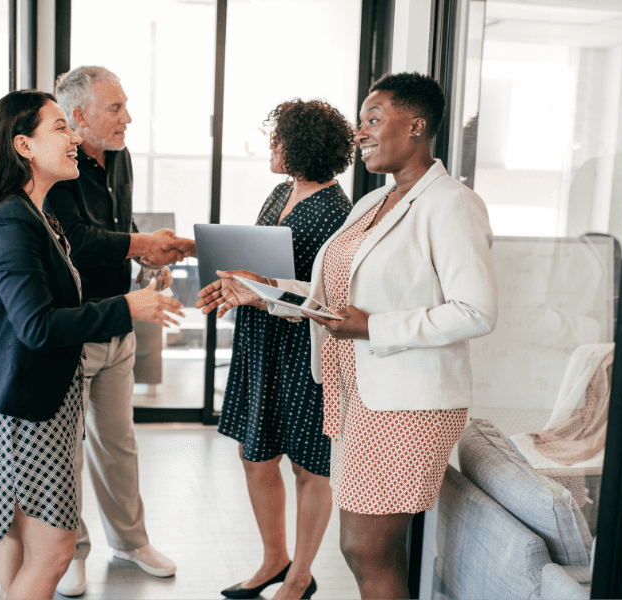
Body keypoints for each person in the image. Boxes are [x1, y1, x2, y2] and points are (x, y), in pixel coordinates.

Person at [198, 72, 498, 599]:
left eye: (373, 120)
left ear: (416, 125)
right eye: (360, 122)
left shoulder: (450, 203)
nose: (360, 133)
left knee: (364, 548)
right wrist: (265, 291)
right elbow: (331, 301)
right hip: (356, 395)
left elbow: (476, 311)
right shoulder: (371, 204)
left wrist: (372, 326)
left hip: (407, 405)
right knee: (372, 550)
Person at [0, 90, 185, 600]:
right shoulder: (13, 219)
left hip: (27, 404)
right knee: (55, 550)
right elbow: (36, 326)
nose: (75, 137)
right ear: (23, 146)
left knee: (18, 545)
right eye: (61, 127)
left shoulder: (36, 215)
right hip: (22, 409)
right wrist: (129, 307)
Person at [44, 65, 194, 595]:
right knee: (66, 448)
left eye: (126, 105)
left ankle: (130, 541)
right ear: (78, 117)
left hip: (120, 321)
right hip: (77, 326)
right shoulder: (58, 166)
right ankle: (72, 553)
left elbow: (117, 230)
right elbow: (79, 240)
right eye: (116, 108)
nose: (128, 117)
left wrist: (150, 258)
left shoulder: (121, 157)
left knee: (118, 442)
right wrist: (142, 243)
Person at [216, 99, 355, 600]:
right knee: (255, 454)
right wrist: (233, 282)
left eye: (277, 139)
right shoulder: (279, 193)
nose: (271, 148)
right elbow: (260, 262)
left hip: (303, 346)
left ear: (300, 146)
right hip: (260, 339)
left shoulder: (340, 211)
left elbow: (330, 294)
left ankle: (300, 575)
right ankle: (274, 557)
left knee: (307, 464)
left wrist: (265, 284)